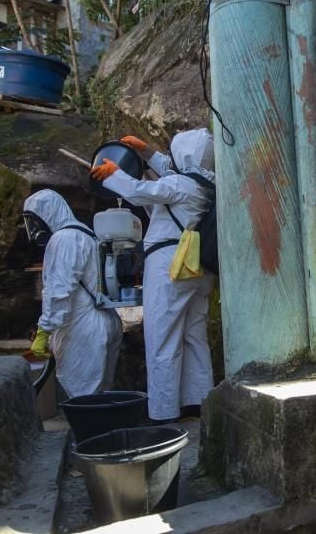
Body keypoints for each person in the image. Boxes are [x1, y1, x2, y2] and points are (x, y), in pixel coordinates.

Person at [90, 128, 216, 423]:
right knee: (193, 336)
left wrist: (114, 174)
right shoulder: (208, 184)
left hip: (170, 265)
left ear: (184, 155)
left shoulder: (180, 185)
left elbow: (140, 191)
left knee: (162, 336)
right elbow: (175, 172)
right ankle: (198, 402)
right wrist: (146, 152)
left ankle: (162, 411)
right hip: (198, 268)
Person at [25, 189, 122, 398]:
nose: (33, 229)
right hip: (105, 320)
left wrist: (44, 330)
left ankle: (89, 432)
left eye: (34, 221)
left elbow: (59, 291)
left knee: (83, 397)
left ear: (47, 214)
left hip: (82, 328)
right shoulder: (87, 233)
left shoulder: (64, 239)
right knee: (100, 395)